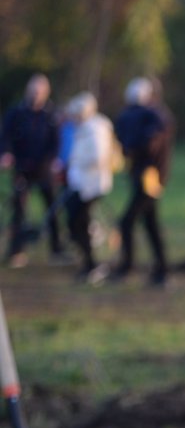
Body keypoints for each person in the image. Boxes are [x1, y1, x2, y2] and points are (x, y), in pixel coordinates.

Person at [111, 78, 174, 287]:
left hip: (149, 178)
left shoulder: (153, 118)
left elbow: (148, 147)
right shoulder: (156, 116)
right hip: (145, 176)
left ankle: (128, 266)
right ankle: (161, 269)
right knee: (150, 223)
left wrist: (131, 148)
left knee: (127, 222)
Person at [2, 74, 64, 267]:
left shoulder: (51, 115)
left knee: (52, 208)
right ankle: (16, 250)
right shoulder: (16, 112)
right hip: (22, 167)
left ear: (46, 93)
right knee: (19, 209)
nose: (36, 95)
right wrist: (6, 153)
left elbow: (56, 141)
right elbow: (6, 136)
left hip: (44, 168)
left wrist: (54, 160)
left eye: (39, 92)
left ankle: (56, 249)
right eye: (33, 91)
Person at [60, 93, 117, 285]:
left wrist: (77, 162)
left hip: (91, 185)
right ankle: (88, 261)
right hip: (82, 185)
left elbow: (98, 157)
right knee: (75, 221)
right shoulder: (87, 126)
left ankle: (92, 263)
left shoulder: (95, 128)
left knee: (79, 221)